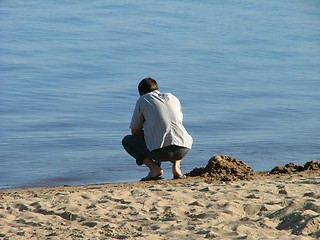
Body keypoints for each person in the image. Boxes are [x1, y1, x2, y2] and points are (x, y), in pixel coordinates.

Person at [122, 77, 193, 181]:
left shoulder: (142, 100)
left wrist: (150, 133)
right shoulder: (173, 97)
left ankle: (154, 169)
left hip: (159, 152)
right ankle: (176, 167)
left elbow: (135, 131)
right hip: (183, 149)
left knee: (127, 141)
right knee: (175, 133)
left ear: (141, 93)